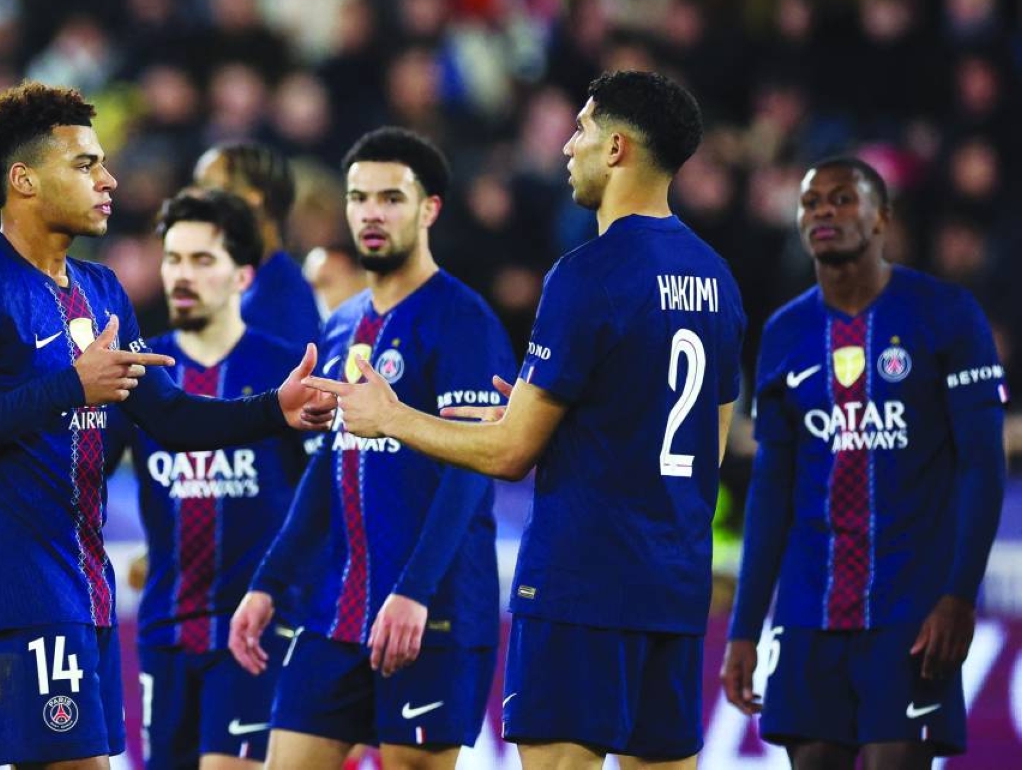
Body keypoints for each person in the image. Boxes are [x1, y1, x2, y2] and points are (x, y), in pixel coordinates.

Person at [298, 71, 746, 770]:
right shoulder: (717, 276)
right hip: (673, 586)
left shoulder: (587, 273)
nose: (569, 146)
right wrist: (568, 423)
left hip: (582, 583)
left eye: (583, 129)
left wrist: (392, 415)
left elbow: (509, 454)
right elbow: (704, 447)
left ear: (618, 148)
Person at [0, 81, 333, 770]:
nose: (109, 180)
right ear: (25, 181)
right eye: (85, 165)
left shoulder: (100, 290)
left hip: (87, 591)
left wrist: (272, 408)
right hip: (14, 593)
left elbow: (168, 415)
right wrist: (73, 386)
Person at [228, 127, 515, 770]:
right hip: (337, 612)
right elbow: (328, 468)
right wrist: (269, 582)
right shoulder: (340, 322)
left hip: (431, 612)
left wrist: (416, 592)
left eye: (391, 198)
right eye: (359, 198)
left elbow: (470, 470)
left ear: (429, 209)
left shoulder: (464, 321)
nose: (371, 214)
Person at [720, 158, 1007, 770]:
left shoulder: (946, 314)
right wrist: (744, 628)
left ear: (882, 218)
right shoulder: (784, 332)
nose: (823, 211)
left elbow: (982, 466)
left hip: (910, 611)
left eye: (843, 198)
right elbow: (772, 488)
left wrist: (959, 595)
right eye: (811, 202)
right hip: (808, 612)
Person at [126, 187, 311, 769]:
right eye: (173, 259)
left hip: (257, 628)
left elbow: (325, 499)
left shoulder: (286, 371)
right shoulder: (137, 373)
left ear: (242, 276)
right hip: (165, 629)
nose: (183, 275)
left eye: (203, 260)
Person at [195, 141, 320, 350]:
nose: (197, 201)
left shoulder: (284, 296)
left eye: (210, 188)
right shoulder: (235, 285)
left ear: (253, 198)